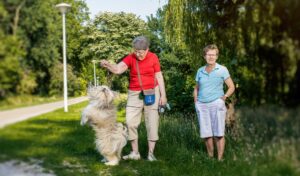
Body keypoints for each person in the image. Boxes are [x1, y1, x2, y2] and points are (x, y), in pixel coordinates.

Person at [100, 36, 167, 161]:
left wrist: (163, 96)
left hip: (153, 92)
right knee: (130, 122)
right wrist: (108, 65)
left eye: (140, 52)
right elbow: (118, 69)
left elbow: (159, 76)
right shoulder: (131, 57)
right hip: (134, 93)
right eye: (136, 51)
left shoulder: (153, 57)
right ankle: (135, 153)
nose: (138, 54)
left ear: (147, 49)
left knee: (152, 124)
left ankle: (151, 154)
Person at [193, 44, 235, 161]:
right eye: (208, 54)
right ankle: (210, 158)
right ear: (204, 56)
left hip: (217, 103)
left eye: (213, 55)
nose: (211, 57)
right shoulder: (200, 71)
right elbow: (197, 87)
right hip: (202, 105)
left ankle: (220, 159)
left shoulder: (222, 69)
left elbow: (231, 87)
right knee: (206, 133)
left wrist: (225, 97)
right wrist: (196, 100)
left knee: (219, 133)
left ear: (216, 56)